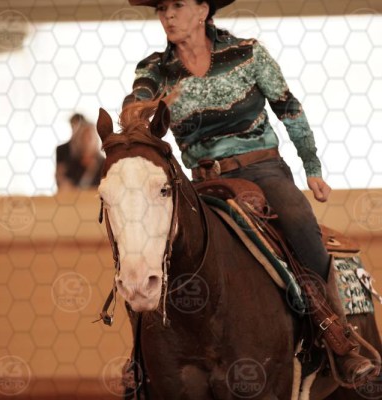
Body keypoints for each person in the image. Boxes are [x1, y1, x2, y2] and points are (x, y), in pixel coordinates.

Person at [123, 0, 378, 385]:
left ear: (203, 9)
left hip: (263, 172)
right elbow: (138, 99)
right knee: (144, 246)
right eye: (161, 8)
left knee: (298, 220)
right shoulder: (154, 69)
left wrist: (311, 168)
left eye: (177, 4)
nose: (168, 15)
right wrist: (132, 115)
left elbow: (288, 108)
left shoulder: (248, 53)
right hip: (198, 183)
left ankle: (335, 335)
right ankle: (141, 359)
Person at [56, 113, 105, 190]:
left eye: (90, 137)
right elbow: (64, 184)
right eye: (84, 136)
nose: (87, 140)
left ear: (96, 139)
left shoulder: (104, 164)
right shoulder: (72, 164)